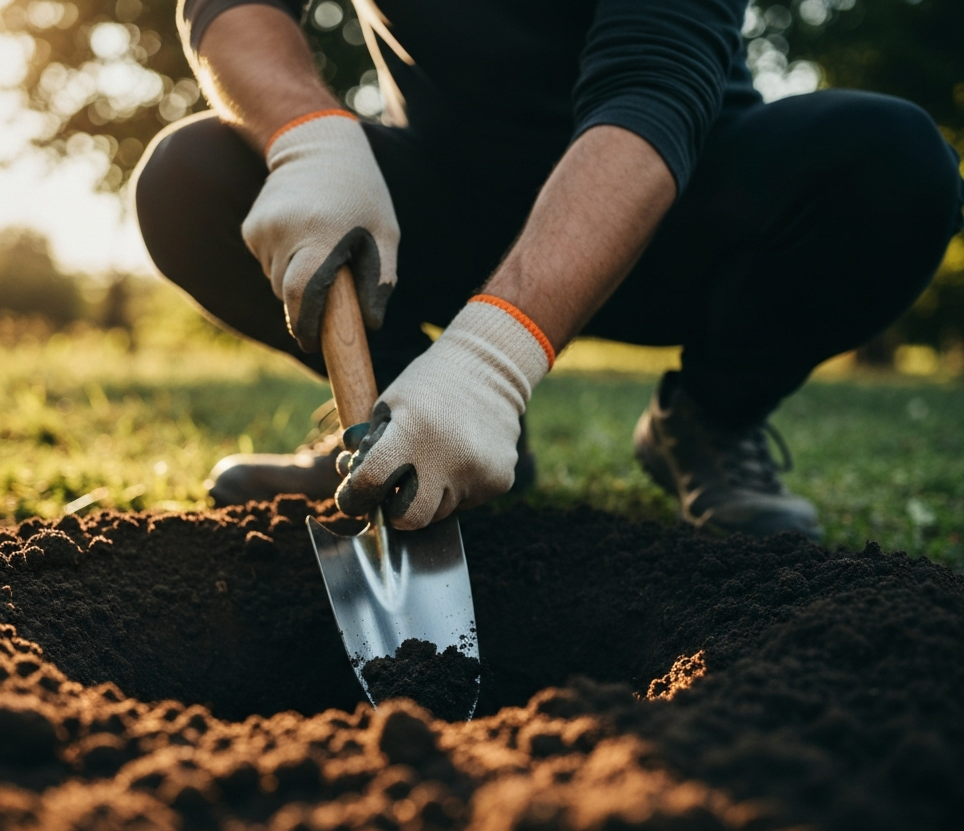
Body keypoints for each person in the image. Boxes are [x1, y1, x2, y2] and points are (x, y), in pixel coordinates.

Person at [135, 0, 963, 538]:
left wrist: (490, 361)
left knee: (894, 165)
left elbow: (652, 93)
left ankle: (708, 420)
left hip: (669, 207)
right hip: (445, 206)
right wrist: (308, 136)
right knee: (189, 177)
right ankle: (389, 433)